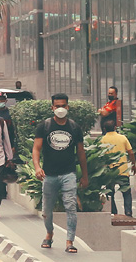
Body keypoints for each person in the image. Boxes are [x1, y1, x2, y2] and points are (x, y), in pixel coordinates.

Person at [33, 93, 89, 254]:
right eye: (57, 106)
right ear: (52, 108)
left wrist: (85, 176)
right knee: (46, 211)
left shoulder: (74, 127)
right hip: (49, 175)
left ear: (68, 107)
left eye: (63, 106)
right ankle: (49, 233)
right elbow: (36, 149)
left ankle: (70, 241)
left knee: (71, 207)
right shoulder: (44, 126)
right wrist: (37, 167)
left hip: (68, 174)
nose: (60, 109)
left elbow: (81, 153)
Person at [99, 113, 133, 217]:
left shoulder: (102, 140)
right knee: (126, 192)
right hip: (123, 170)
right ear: (115, 127)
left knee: (110, 193)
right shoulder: (122, 138)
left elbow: (100, 156)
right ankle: (128, 211)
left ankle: (113, 211)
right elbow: (130, 152)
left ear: (104, 128)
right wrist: (133, 165)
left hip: (110, 172)